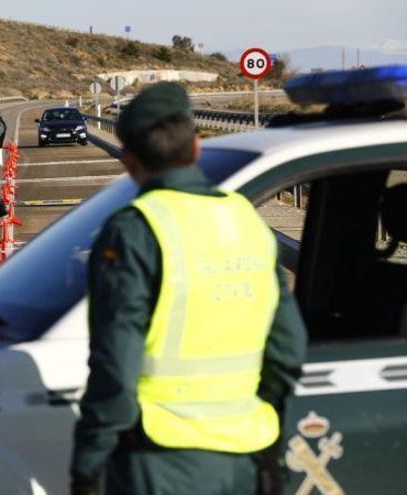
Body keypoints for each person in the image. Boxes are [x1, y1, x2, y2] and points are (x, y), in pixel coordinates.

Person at [70, 82, 307, 495]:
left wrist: (89, 463)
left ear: (128, 159)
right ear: (196, 148)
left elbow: (116, 364)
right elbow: (287, 348)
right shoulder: (246, 220)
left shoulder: (137, 228)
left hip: (161, 459)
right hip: (247, 453)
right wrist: (265, 429)